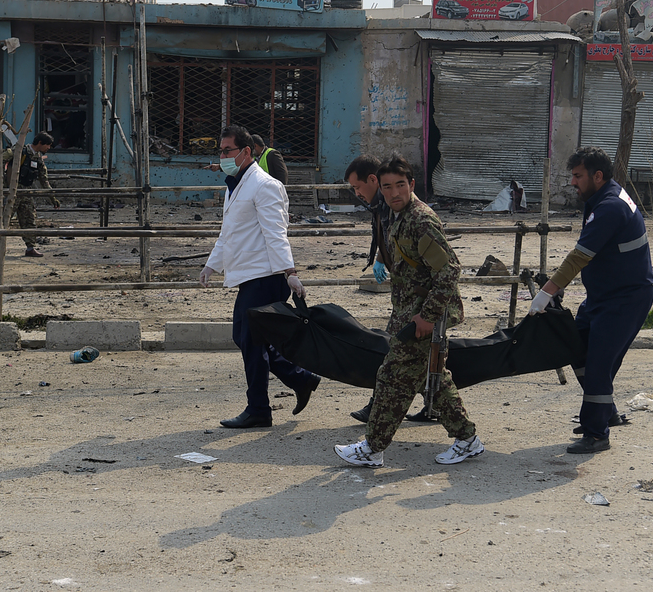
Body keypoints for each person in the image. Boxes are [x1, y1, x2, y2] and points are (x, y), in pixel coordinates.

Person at [334, 155, 484, 467]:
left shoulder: (420, 220)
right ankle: (467, 439)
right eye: (387, 187)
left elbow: (450, 271)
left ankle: (372, 448)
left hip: (424, 315)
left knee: (392, 377)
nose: (393, 193)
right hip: (409, 311)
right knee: (431, 379)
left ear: (411, 185)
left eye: (400, 185)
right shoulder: (397, 215)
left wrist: (428, 316)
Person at [529, 147, 653, 454]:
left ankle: (597, 434)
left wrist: (547, 291)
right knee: (577, 347)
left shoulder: (610, 206)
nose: (573, 182)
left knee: (598, 363)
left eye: (578, 176)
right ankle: (606, 412)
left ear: (597, 176)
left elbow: (579, 257)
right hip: (604, 295)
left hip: (626, 299)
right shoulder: (601, 198)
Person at [199, 125, 320, 428]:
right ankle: (299, 380)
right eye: (221, 150)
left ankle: (259, 408)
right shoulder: (237, 184)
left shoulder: (265, 185)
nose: (223, 155)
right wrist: (211, 265)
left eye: (228, 150)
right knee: (247, 338)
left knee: (249, 339)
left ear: (246, 152)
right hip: (250, 275)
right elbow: (229, 234)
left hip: (266, 275)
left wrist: (290, 272)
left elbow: (276, 233)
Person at [343, 154, 433, 424]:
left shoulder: (399, 207)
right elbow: (388, 237)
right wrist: (382, 259)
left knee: (395, 353)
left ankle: (379, 412)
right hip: (407, 291)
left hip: (419, 294)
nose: (357, 194)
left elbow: (442, 266)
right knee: (425, 356)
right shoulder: (382, 206)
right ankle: (436, 406)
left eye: (358, 187)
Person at [0, 131, 60, 258]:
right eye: (47, 145)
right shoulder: (19, 151)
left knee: (29, 220)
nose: (48, 148)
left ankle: (30, 248)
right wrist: (2, 184)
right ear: (40, 143)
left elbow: (44, 180)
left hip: (26, 192)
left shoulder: (38, 158)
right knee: (4, 219)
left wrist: (53, 198)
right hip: (12, 192)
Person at [203, 134, 288, 186]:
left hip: (270, 190)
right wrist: (219, 167)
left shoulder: (272, 154)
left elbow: (282, 174)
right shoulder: (254, 157)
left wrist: (280, 190)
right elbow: (240, 167)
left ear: (255, 146)